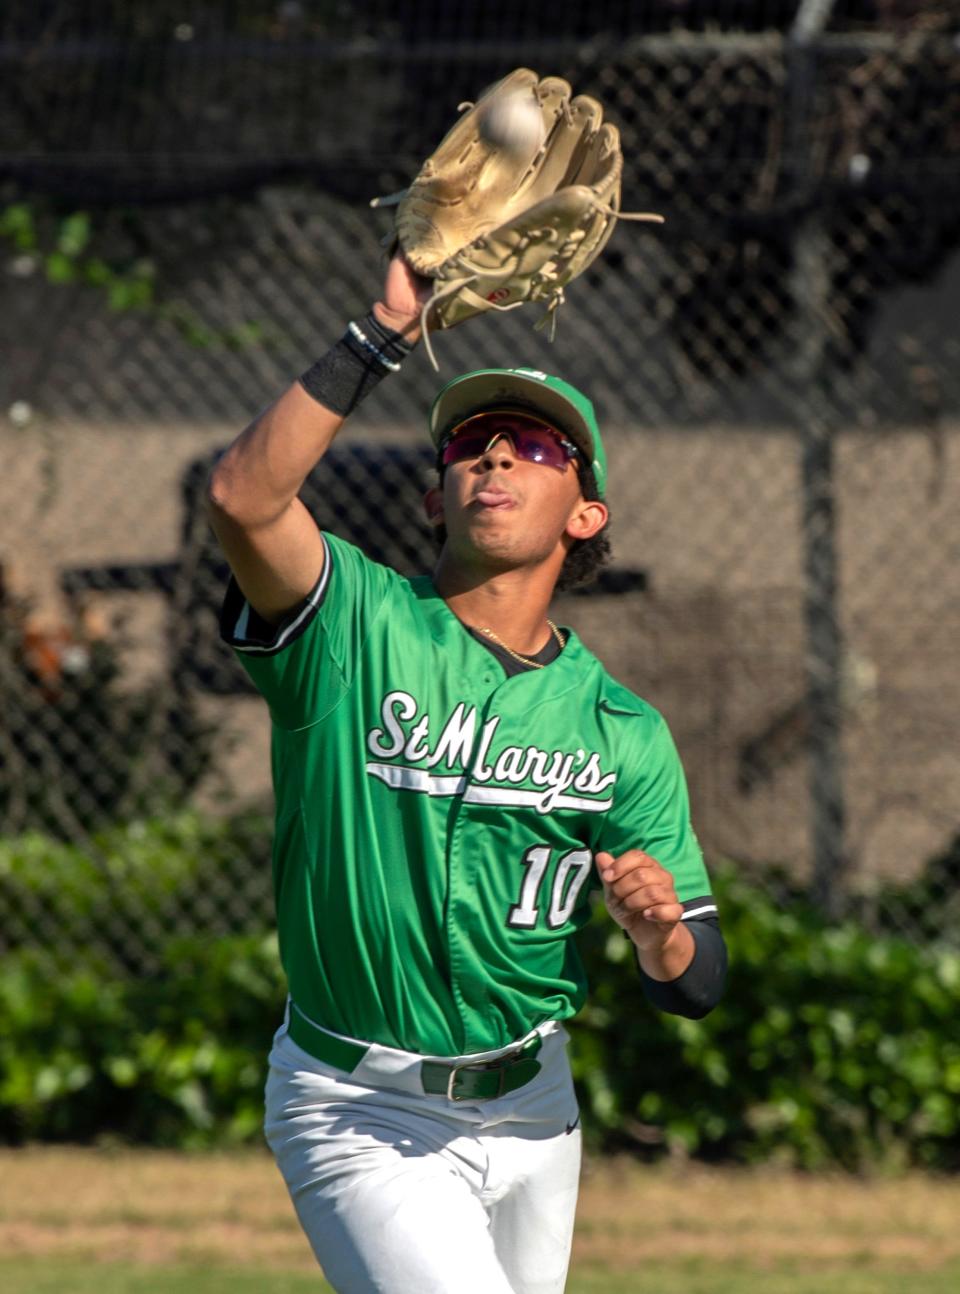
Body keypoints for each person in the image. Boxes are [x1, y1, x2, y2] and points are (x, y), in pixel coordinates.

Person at [207, 252, 727, 1294]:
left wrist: (659, 930)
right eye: (469, 446)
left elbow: (698, 981)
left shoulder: (620, 727)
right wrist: (384, 333)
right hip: (361, 1107)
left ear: (587, 514)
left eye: (534, 446)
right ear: (438, 500)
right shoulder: (352, 625)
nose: (494, 457)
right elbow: (244, 498)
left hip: (536, 1110)